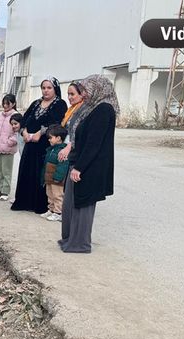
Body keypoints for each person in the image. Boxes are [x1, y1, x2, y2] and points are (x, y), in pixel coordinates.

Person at [59, 75, 118, 253]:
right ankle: (70, 239)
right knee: (71, 203)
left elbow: (94, 143)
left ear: (97, 89)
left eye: (85, 90)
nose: (83, 94)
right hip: (80, 161)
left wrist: (79, 167)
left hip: (91, 166)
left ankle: (80, 243)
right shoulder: (92, 108)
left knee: (83, 205)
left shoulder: (104, 109)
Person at [11, 78, 67, 214]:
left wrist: (40, 133)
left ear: (55, 89)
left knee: (41, 173)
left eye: (49, 88)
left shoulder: (59, 104)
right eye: (43, 88)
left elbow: (58, 123)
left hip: (46, 145)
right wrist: (23, 131)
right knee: (26, 171)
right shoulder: (36, 103)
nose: (46, 90)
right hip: (30, 144)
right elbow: (24, 119)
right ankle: (24, 201)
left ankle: (42, 205)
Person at [41, 124, 70, 222]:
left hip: (57, 178)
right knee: (50, 194)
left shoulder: (62, 151)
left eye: (50, 138)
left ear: (58, 138)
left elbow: (63, 165)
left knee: (57, 195)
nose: (49, 140)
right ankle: (51, 209)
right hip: (49, 177)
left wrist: (58, 177)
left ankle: (58, 212)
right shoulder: (51, 149)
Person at [58, 82, 85, 162]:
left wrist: (69, 146)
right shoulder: (71, 109)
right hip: (65, 146)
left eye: (72, 94)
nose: (69, 97)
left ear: (81, 95)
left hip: (73, 149)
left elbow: (79, 132)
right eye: (68, 94)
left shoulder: (83, 110)